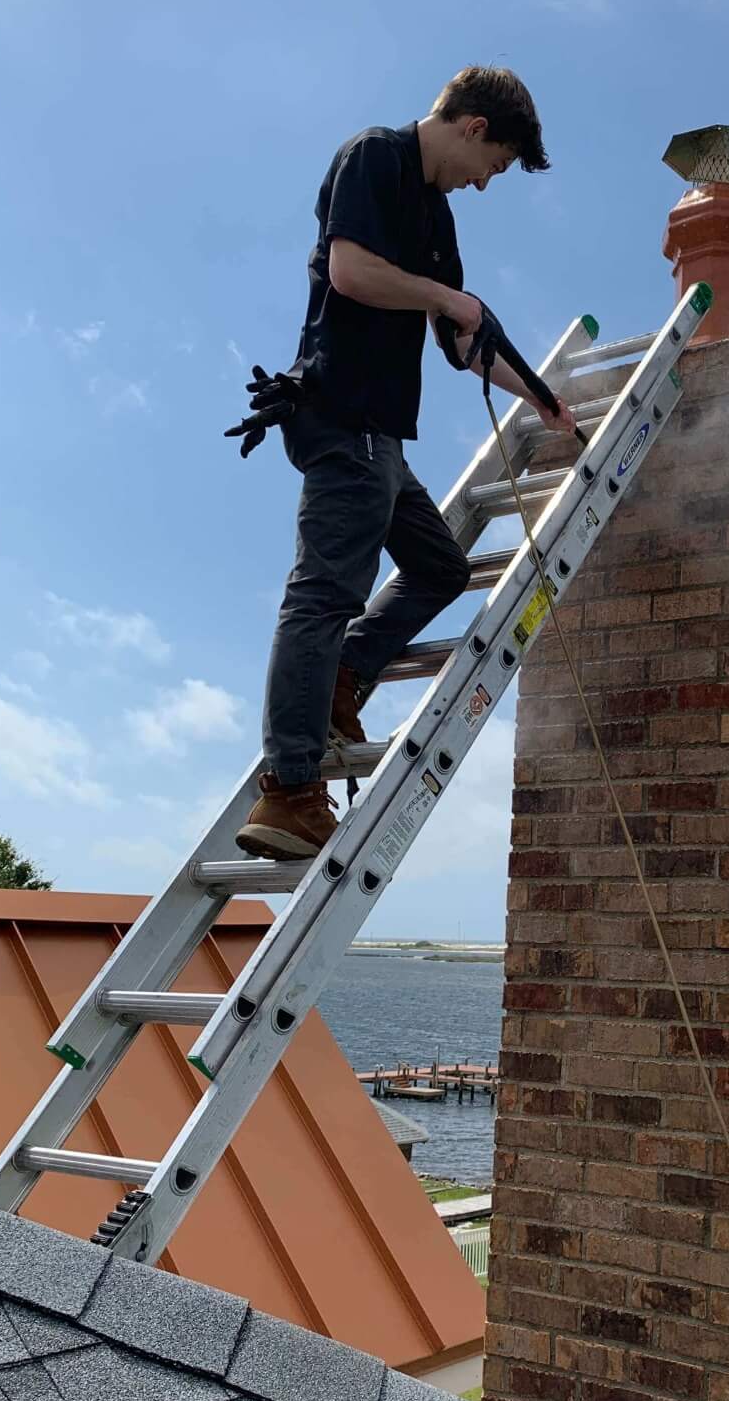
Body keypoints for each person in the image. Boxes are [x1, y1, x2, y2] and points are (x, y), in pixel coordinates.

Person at [231, 65, 576, 862]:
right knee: (323, 592)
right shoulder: (375, 157)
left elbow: (463, 346)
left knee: (441, 570)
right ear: (474, 129)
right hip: (339, 417)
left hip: (380, 436)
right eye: (493, 168)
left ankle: (343, 682)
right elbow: (351, 273)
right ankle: (288, 792)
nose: (485, 186)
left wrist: (541, 399)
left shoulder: (437, 220)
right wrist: (447, 298)